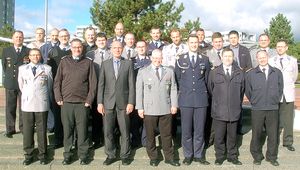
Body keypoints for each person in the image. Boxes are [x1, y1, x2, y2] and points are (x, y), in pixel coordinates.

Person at [54, 38, 97, 165]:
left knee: (82, 130)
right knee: (67, 130)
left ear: (82, 48)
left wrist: (89, 100)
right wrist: (58, 98)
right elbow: (57, 82)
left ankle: (83, 155)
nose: (77, 49)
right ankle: (67, 154)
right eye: (74, 47)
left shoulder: (88, 62)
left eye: (79, 47)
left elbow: (93, 84)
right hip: (66, 102)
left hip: (82, 103)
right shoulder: (64, 62)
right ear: (71, 48)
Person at [136, 49, 180, 167]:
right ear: (151, 58)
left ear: (162, 58)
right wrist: (139, 107)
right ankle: (153, 157)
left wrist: (174, 105)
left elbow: (173, 89)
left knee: (167, 135)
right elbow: (139, 90)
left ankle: (169, 157)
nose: (157, 60)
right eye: (155, 58)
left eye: (159, 58)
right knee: (150, 136)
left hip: (166, 108)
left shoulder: (169, 71)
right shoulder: (143, 71)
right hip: (149, 109)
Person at [97, 41, 135, 166]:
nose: (117, 50)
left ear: (122, 49)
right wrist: (99, 102)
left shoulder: (128, 63)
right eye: (115, 48)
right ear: (111, 49)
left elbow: (131, 85)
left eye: (119, 48)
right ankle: (111, 155)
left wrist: (131, 102)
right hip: (108, 103)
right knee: (108, 131)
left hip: (124, 103)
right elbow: (101, 85)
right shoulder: (105, 64)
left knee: (125, 131)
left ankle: (125, 155)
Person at [174, 34, 210, 165]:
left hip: (201, 99)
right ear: (187, 43)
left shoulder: (204, 59)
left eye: (196, 42)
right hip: (186, 99)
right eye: (191, 42)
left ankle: (199, 155)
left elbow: (207, 79)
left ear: (199, 44)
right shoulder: (180, 59)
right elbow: (177, 79)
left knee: (200, 130)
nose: (194, 44)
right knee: (186, 129)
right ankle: (188, 155)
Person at [245, 50, 283, 166]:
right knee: (256, 134)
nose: (262, 59)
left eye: (264, 57)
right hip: (258, 108)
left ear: (267, 57)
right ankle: (257, 156)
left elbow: (280, 88)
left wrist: (275, 100)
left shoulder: (276, 72)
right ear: (257, 59)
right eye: (259, 58)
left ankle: (271, 156)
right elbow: (248, 90)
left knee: (273, 134)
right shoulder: (251, 74)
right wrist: (255, 101)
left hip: (272, 107)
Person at [208, 48, 244, 165]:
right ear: (221, 58)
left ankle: (232, 156)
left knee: (232, 136)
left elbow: (241, 90)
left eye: (230, 56)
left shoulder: (239, 72)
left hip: (233, 110)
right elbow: (210, 89)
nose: (228, 58)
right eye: (226, 56)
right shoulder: (214, 72)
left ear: (233, 58)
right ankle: (219, 156)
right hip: (219, 111)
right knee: (219, 137)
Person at [18, 48, 53, 165]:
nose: (35, 57)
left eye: (37, 55)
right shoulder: (22, 69)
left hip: (41, 103)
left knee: (42, 130)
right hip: (27, 103)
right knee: (27, 131)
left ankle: (43, 155)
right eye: (33, 55)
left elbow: (49, 86)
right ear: (29, 56)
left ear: (40, 56)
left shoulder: (47, 69)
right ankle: (28, 154)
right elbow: (21, 85)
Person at [269, 39, 298, 152]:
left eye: (282, 46)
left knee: (288, 120)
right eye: (278, 46)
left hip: (288, 94)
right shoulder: (271, 60)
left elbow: (294, 76)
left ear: (286, 47)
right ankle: (274, 139)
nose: (280, 48)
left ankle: (288, 141)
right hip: (275, 94)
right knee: (274, 119)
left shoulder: (293, 61)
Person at [2, 30, 30, 138]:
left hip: (24, 84)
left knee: (24, 107)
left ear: (23, 39)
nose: (18, 39)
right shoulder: (6, 50)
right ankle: (10, 129)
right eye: (16, 37)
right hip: (11, 82)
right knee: (10, 107)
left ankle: (23, 128)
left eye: (20, 37)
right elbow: (5, 66)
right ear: (13, 39)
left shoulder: (28, 51)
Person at [86, 32, 112, 148]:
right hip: (96, 88)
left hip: (110, 88)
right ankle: (97, 140)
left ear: (106, 41)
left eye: (103, 40)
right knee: (96, 116)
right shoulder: (90, 54)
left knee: (109, 115)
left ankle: (110, 140)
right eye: (99, 40)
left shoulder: (112, 53)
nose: (101, 42)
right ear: (96, 42)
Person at [47, 28, 71, 148]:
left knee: (69, 116)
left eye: (66, 36)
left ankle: (70, 139)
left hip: (71, 88)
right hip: (57, 88)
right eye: (61, 36)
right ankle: (58, 139)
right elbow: (49, 71)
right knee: (57, 115)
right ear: (58, 37)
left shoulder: (73, 50)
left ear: (69, 36)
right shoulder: (53, 52)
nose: (64, 38)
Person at [204, 32, 224, 148]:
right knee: (210, 117)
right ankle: (209, 139)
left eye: (220, 42)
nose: (218, 44)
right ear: (212, 43)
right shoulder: (207, 54)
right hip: (211, 90)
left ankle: (220, 139)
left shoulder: (227, 54)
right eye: (216, 42)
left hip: (224, 91)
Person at [131, 40, 151, 148]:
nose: (141, 48)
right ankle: (135, 140)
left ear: (146, 47)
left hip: (148, 94)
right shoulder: (131, 61)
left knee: (146, 120)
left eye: (143, 46)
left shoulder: (151, 60)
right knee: (134, 119)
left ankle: (145, 140)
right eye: (139, 47)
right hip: (135, 93)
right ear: (136, 48)